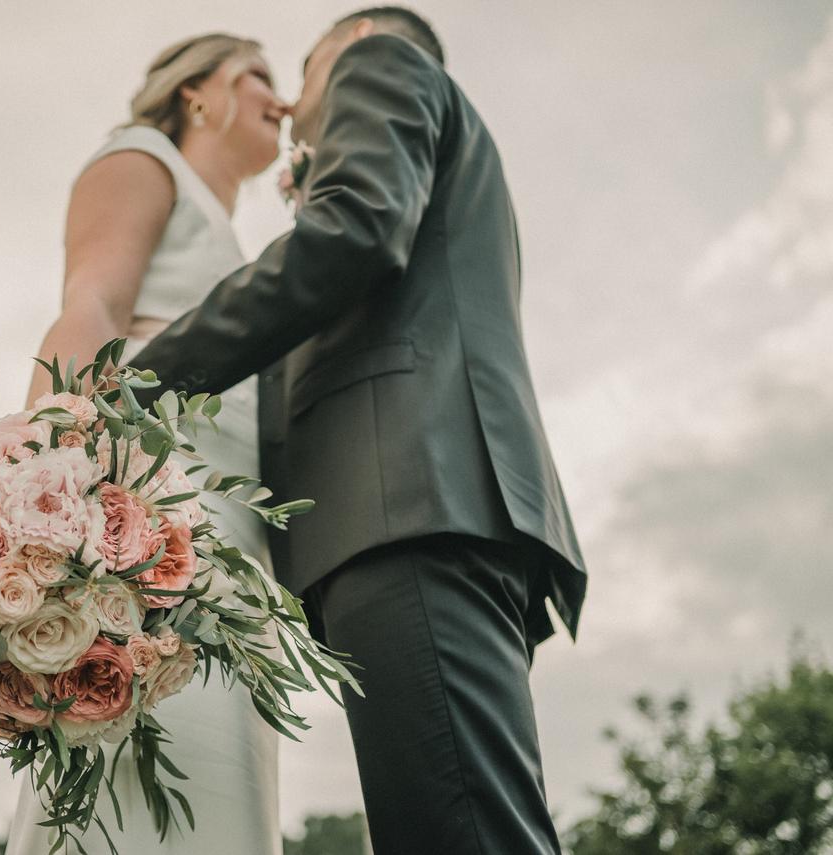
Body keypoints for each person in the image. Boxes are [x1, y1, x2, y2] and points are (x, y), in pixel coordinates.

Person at [128, 8, 589, 854]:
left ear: (350, 46)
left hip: (409, 500)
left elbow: (353, 233)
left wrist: (142, 381)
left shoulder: (377, 61)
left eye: (302, 75)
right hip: (418, 503)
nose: (298, 102)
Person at [6, 32, 290, 855]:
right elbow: (91, 308)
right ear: (198, 93)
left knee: (223, 786)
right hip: (145, 517)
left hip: (239, 549)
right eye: (259, 77)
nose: (283, 99)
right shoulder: (139, 158)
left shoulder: (234, 243)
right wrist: (35, 492)